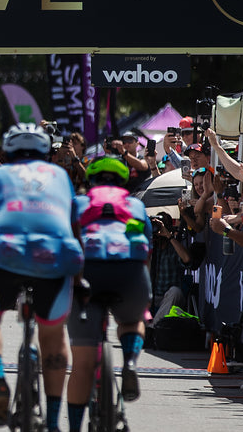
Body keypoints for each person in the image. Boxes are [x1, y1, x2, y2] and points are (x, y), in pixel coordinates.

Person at [0, 123, 85, 430]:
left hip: (6, 258)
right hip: (56, 259)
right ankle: (51, 419)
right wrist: (78, 279)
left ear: (7, 151)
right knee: (52, 335)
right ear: (46, 151)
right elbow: (74, 230)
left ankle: (0, 381)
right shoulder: (61, 176)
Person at [65, 157, 153, 432]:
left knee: (81, 365)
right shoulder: (135, 205)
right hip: (128, 271)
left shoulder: (79, 203)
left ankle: (75, 427)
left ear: (90, 181)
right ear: (123, 182)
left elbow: (66, 246)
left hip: (88, 271)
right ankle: (129, 361)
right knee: (132, 320)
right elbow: (145, 252)